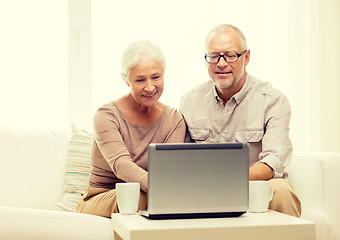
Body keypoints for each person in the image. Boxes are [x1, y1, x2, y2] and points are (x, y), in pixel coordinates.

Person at [179, 24, 301, 217]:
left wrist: (230, 179)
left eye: (230, 55)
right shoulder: (189, 101)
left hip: (255, 185)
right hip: (205, 187)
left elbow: (274, 161)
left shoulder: (273, 100)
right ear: (205, 60)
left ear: (247, 57)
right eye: (213, 56)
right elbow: (181, 158)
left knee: (282, 191)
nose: (221, 63)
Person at [77, 40, 186, 218]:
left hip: (151, 195)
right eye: (140, 80)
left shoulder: (174, 120)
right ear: (126, 80)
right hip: (102, 198)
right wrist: (165, 188)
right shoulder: (106, 116)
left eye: (156, 77)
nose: (150, 87)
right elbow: (122, 165)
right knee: (136, 197)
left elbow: (169, 171)